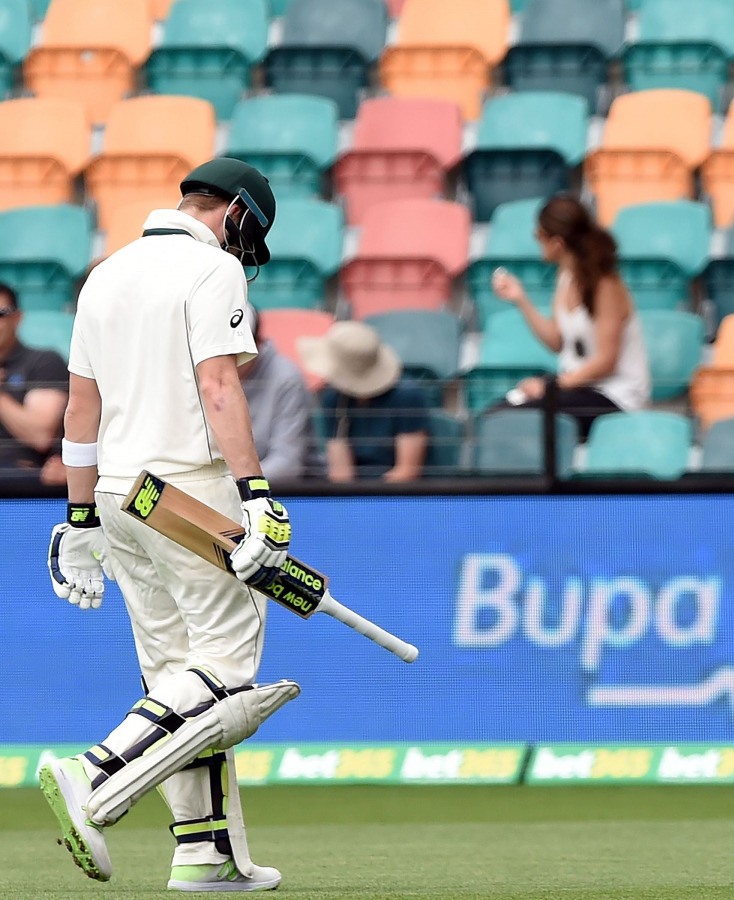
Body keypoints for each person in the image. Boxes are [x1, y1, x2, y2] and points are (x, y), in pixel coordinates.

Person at [39, 158, 299, 892]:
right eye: (252, 235)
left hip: (122, 496)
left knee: (178, 677)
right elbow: (219, 387)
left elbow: (79, 413)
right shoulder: (213, 271)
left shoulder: (106, 273)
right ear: (238, 212)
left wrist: (79, 517)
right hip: (189, 492)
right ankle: (91, 774)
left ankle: (204, 852)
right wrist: (254, 495)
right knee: (226, 675)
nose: (248, 254)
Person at [490, 194, 650, 439]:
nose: (536, 241)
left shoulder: (606, 285)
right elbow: (556, 341)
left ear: (557, 242)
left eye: (539, 235)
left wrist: (550, 387)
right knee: (496, 414)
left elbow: (606, 361)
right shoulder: (565, 277)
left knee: (517, 420)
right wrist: (521, 299)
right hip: (577, 388)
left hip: (614, 396)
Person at [299, 320, 430, 482]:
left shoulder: (407, 396)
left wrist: (370, 502)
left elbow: (406, 472)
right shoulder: (333, 398)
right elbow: (341, 474)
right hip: (354, 496)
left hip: (395, 497)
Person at [238, 305, 317, 482]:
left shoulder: (286, 378)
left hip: (282, 494)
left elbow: (287, 463)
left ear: (257, 344)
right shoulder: (199, 374)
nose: (226, 362)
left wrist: (235, 487)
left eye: (236, 354)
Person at [0, 282, 69, 480]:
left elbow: (40, 435)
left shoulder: (44, 361)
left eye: (1, 314)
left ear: (17, 317)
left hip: (20, 488)